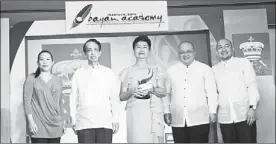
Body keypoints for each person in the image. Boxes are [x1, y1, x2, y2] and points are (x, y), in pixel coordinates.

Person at [164, 41, 218, 143]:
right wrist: (166, 111)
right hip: (178, 118)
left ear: (194, 52)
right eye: (182, 52)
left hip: (200, 118)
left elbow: (212, 92)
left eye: (188, 51)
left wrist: (213, 111)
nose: (185, 54)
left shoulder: (205, 69)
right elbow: (166, 93)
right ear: (178, 54)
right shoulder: (171, 71)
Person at [119, 36, 169, 143]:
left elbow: (163, 92)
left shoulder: (157, 70)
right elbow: (122, 96)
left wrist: (152, 89)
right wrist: (131, 91)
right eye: (138, 47)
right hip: (135, 115)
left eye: (144, 47)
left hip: (153, 115)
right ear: (133, 50)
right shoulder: (126, 71)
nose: (141, 50)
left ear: (149, 50)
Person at [69, 39, 121, 143]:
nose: (93, 53)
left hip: (105, 122)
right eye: (89, 50)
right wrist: (73, 119)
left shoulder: (108, 72)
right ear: (85, 54)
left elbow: (114, 98)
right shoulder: (78, 73)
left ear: (100, 53)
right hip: (84, 123)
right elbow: (73, 98)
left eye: (96, 50)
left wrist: (115, 119)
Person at [212, 38, 260, 143]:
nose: (223, 49)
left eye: (226, 46)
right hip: (225, 118)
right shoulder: (213, 70)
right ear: (216, 52)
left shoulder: (243, 63)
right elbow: (213, 94)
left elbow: (252, 85)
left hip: (245, 116)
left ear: (233, 49)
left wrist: (252, 107)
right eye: (220, 47)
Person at [23, 50, 65, 143]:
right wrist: (31, 122)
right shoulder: (31, 78)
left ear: (52, 62)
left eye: (47, 59)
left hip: (56, 123)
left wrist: (63, 122)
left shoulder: (58, 79)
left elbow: (59, 102)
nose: (45, 62)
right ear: (38, 62)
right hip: (38, 123)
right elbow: (27, 102)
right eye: (41, 59)